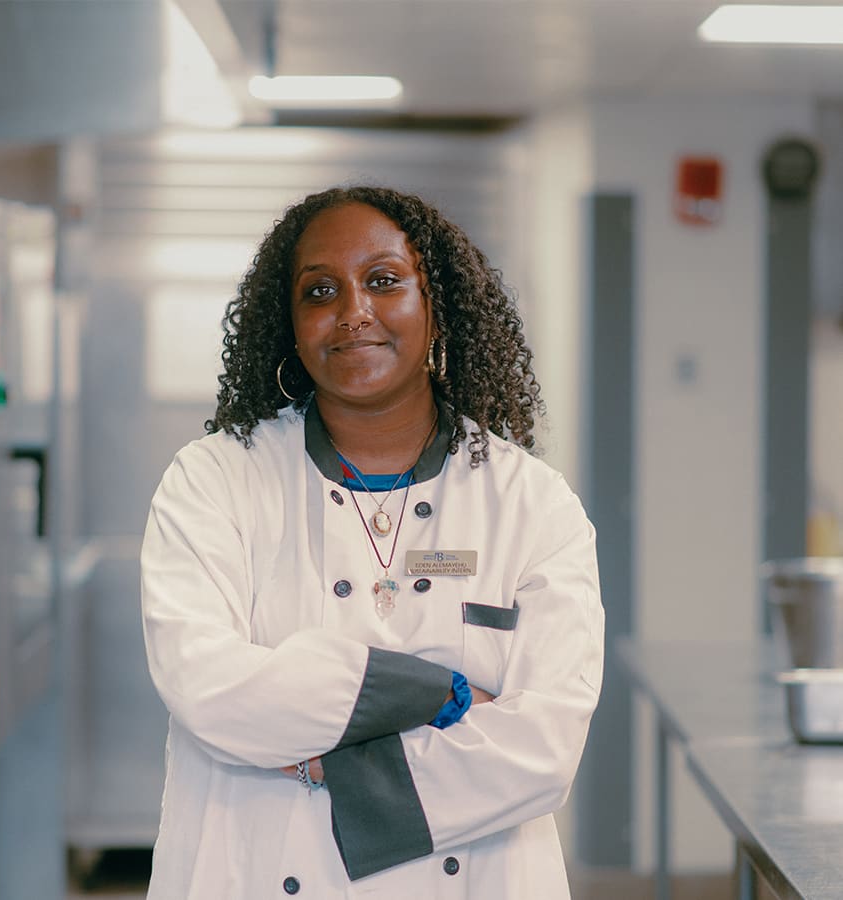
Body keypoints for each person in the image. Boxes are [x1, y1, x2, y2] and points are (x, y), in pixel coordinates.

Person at [140, 185, 604, 899]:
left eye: (384, 281)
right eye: (320, 291)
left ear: (436, 305)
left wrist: (328, 761)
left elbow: (544, 747)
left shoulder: (531, 503)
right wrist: (439, 693)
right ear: (291, 324)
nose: (353, 311)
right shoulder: (216, 480)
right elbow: (207, 687)